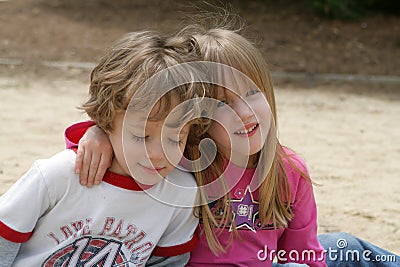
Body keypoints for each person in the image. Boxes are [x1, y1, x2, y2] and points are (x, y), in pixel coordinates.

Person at [0, 30, 212, 266]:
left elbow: (168, 262)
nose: (157, 153)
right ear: (106, 120)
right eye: (142, 136)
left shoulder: (181, 193)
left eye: (175, 139)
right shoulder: (58, 175)